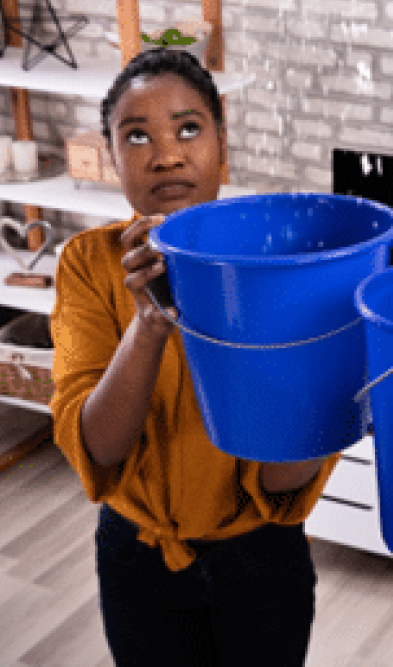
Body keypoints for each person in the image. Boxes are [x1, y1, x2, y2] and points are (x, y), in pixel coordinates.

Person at [50, 48, 337, 666]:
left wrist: (337, 394)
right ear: (110, 157)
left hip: (261, 559)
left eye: (188, 128)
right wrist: (149, 324)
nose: (167, 154)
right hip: (137, 561)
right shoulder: (85, 265)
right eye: (136, 136)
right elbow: (97, 447)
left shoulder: (273, 269)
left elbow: (281, 476)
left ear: (220, 142)